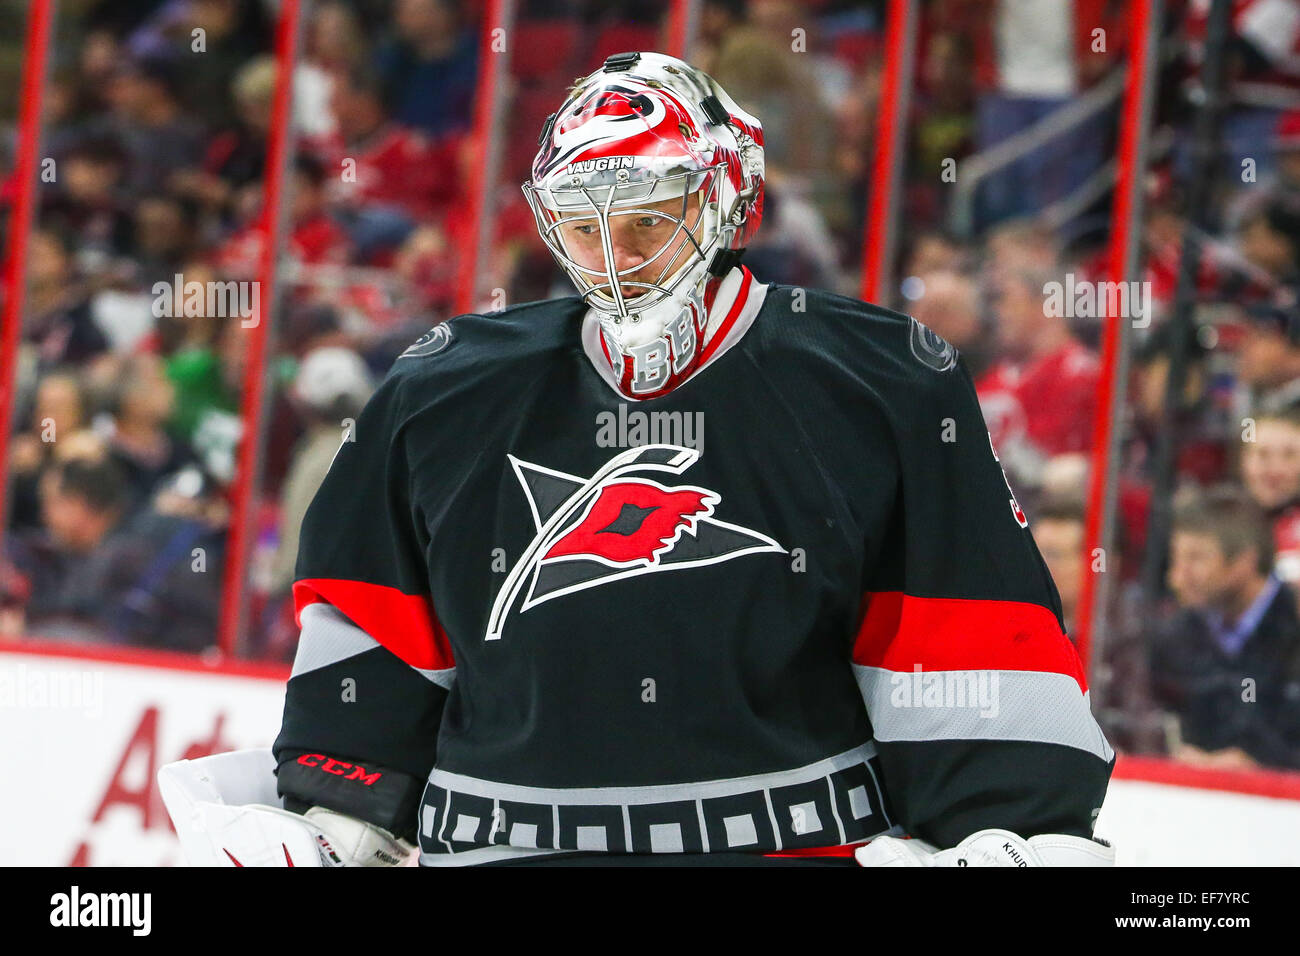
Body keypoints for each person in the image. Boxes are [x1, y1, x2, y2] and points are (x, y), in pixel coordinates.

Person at [170, 53, 1113, 868]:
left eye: (647, 221)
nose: (613, 259)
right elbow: (378, 623)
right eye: (585, 226)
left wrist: (1008, 820)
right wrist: (340, 806)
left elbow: (961, 624)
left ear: (724, 199)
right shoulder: (444, 391)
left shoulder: (875, 382)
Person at [1149, 489, 1300, 771]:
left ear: (1243, 562)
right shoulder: (1175, 635)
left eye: (1195, 558)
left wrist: (1263, 767)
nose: (1176, 576)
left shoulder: (1294, 626)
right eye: (1176, 558)